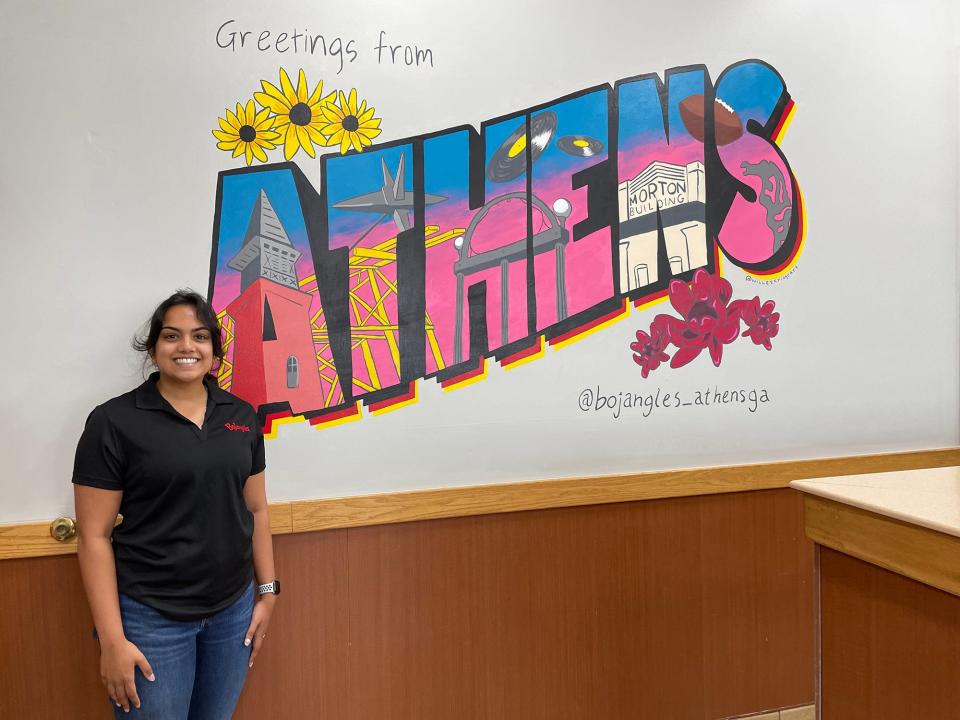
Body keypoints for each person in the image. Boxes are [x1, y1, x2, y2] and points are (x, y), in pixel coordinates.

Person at [72, 290, 279, 719]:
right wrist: (112, 641)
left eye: (200, 336)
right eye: (172, 336)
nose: (187, 347)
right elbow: (93, 536)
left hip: (232, 613)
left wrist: (268, 591)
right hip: (151, 619)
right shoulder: (113, 421)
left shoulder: (240, 415)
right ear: (153, 349)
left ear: (215, 353)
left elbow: (256, 509)